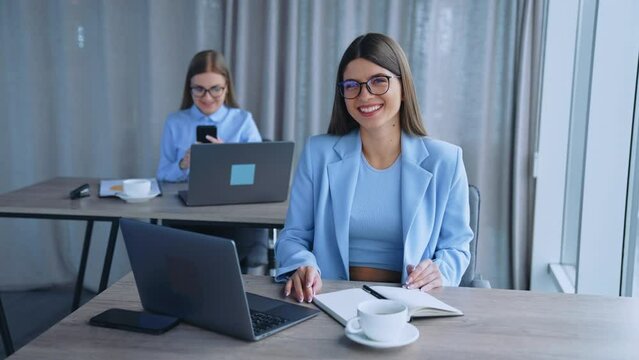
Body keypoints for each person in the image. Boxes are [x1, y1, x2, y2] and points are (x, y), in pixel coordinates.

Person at [275, 33, 473, 302]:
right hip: (330, 297)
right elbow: (293, 236)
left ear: (404, 88)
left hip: (410, 302)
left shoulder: (445, 161)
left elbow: (456, 247)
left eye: (378, 81)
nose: (364, 95)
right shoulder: (317, 153)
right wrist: (303, 265)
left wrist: (440, 272)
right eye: (352, 85)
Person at [157, 50, 267, 272]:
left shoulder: (243, 120)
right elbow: (162, 174)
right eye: (199, 89)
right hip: (186, 215)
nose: (207, 97)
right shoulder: (175, 122)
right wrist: (183, 164)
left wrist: (227, 159)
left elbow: (259, 176)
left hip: (233, 215)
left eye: (215, 89)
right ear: (189, 88)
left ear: (227, 87)